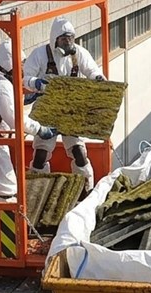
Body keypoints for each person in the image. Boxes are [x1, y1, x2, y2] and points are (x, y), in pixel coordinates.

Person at [0, 37, 57, 200]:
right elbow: (15, 119)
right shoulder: (0, 84)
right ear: (10, 62)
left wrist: (31, 92)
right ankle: (10, 217)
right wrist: (39, 129)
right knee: (8, 193)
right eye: (21, 63)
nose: (23, 68)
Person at [22, 17, 105, 188]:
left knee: (79, 152)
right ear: (55, 39)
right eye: (64, 39)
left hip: (71, 110)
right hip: (47, 110)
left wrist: (98, 78)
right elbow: (25, 77)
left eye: (70, 38)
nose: (68, 43)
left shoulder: (79, 53)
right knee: (40, 155)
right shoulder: (40, 54)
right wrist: (36, 83)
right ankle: (37, 189)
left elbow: (92, 70)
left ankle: (86, 189)